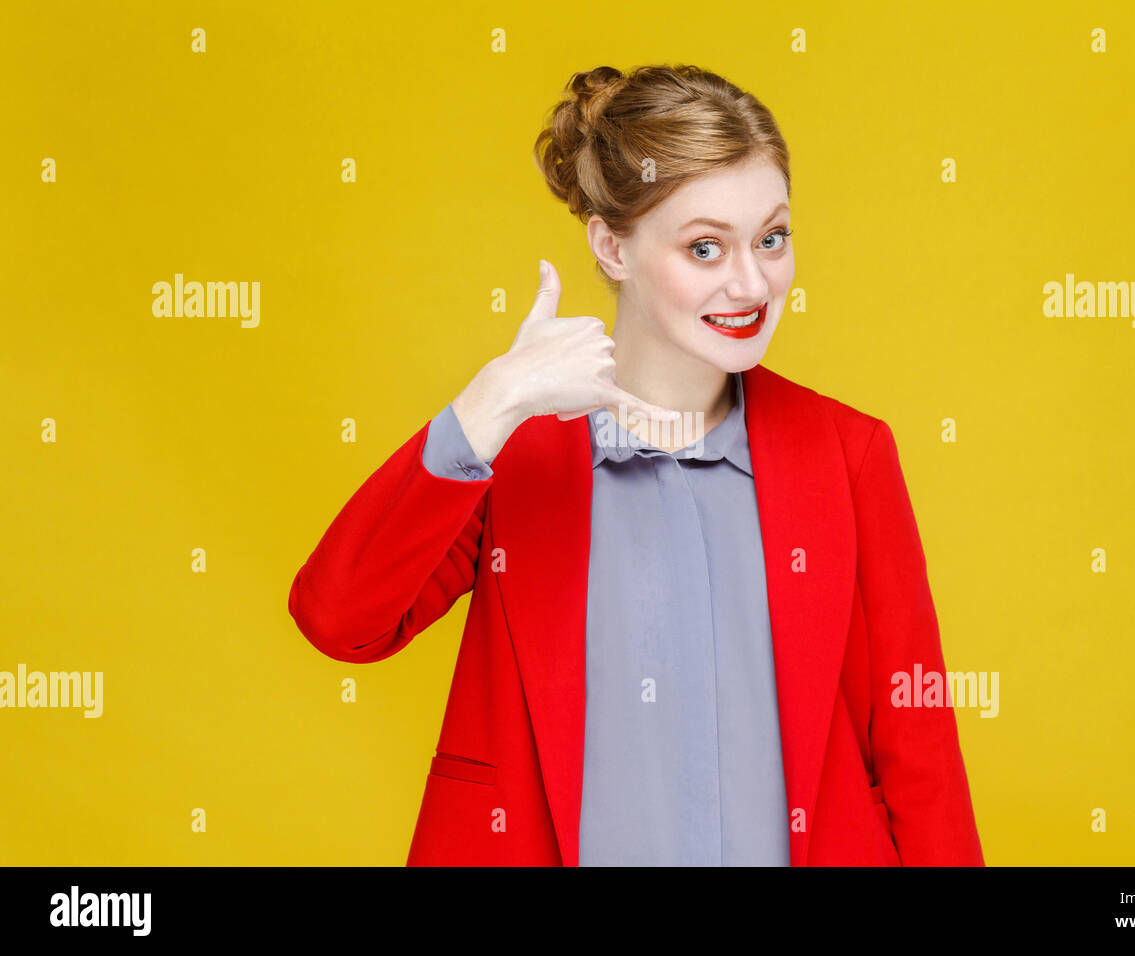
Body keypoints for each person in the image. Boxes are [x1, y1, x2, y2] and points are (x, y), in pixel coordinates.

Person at [288, 64, 985, 866]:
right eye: (704, 247)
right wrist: (486, 407)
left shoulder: (849, 453)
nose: (752, 282)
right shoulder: (517, 451)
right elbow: (339, 622)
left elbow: (918, 745)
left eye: (772, 237)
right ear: (610, 246)